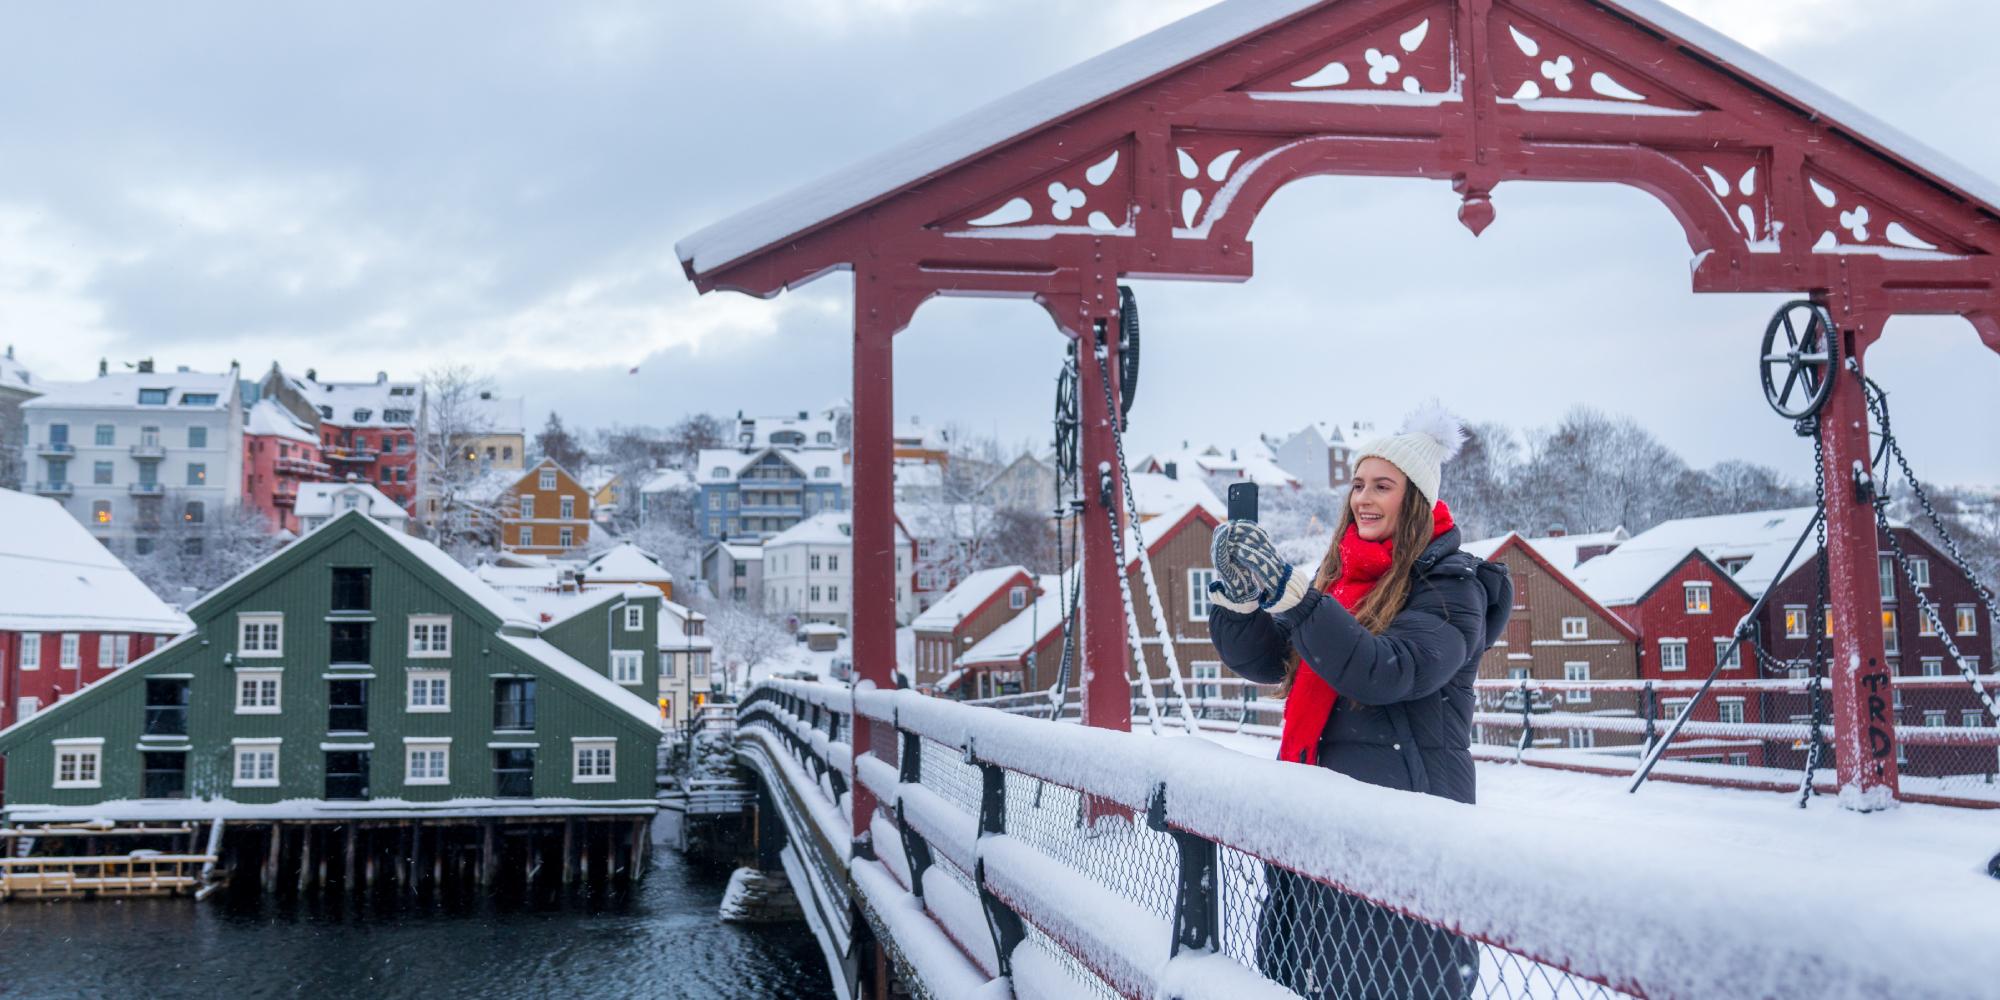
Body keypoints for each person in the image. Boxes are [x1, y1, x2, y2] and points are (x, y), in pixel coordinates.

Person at [1207, 405, 1511, 1000]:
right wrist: (1240, 602)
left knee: (1387, 981)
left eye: (1382, 486)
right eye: (1357, 485)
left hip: (1403, 832)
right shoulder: (1339, 581)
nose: (1363, 499)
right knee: (1302, 976)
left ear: (1416, 500)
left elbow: (1385, 671)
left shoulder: (1452, 589)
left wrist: (1292, 598)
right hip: (1315, 822)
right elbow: (1275, 663)